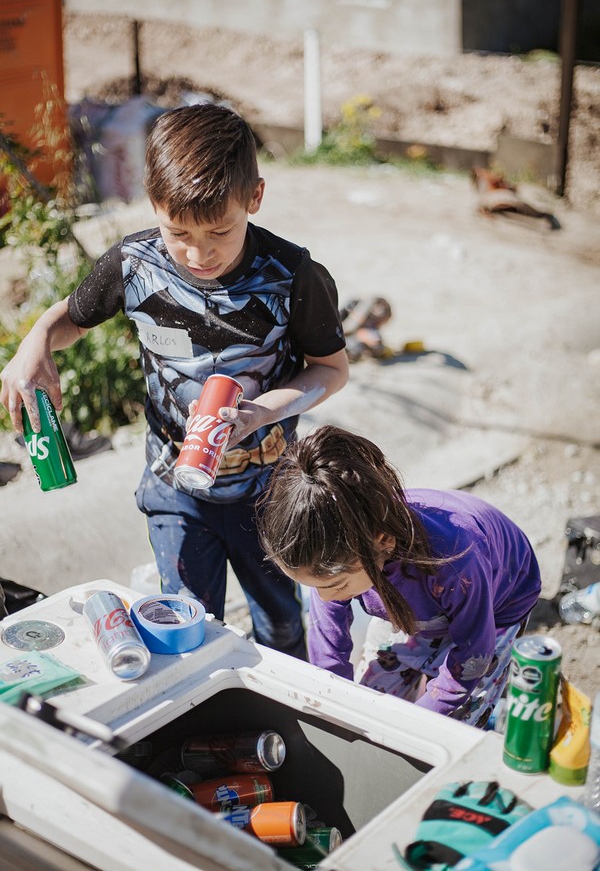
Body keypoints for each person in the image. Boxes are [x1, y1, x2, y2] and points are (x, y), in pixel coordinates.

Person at [0, 103, 349, 659]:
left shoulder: (292, 276)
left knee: (282, 626)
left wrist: (264, 412)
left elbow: (331, 369)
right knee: (187, 627)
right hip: (173, 489)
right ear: (152, 202)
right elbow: (73, 317)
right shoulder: (135, 264)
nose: (197, 253)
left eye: (220, 231)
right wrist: (36, 340)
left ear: (255, 198)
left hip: (269, 491)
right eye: (177, 231)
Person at [257, 425, 541, 726]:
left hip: (496, 605)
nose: (326, 598)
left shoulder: (457, 562)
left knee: (454, 723)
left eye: (336, 586)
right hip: (415, 599)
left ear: (384, 541)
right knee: (371, 704)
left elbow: (473, 652)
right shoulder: (334, 559)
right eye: (315, 587)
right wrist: (334, 700)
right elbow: (329, 657)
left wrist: (422, 721)